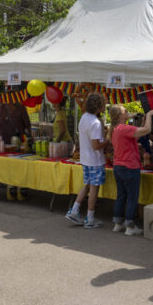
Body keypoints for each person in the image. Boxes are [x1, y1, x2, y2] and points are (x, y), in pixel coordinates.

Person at [107, 106, 153, 235]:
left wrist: (142, 120)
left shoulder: (115, 129)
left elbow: (136, 135)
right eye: (125, 112)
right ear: (119, 116)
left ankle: (118, 223)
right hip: (130, 166)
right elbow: (147, 130)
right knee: (132, 197)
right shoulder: (124, 128)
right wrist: (150, 115)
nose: (128, 113)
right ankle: (130, 225)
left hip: (118, 166)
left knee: (121, 196)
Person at [65, 93, 109, 228]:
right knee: (94, 188)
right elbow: (96, 146)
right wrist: (107, 141)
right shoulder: (95, 123)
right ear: (99, 106)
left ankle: (74, 210)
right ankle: (90, 218)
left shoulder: (84, 117)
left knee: (87, 185)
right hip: (95, 160)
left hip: (85, 159)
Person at [0, 102, 32, 200]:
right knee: (7, 163)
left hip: (17, 141)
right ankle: (9, 185)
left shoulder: (21, 108)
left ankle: (19, 186)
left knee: (18, 163)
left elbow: (28, 124)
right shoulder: (2, 107)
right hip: (4, 140)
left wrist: (29, 137)